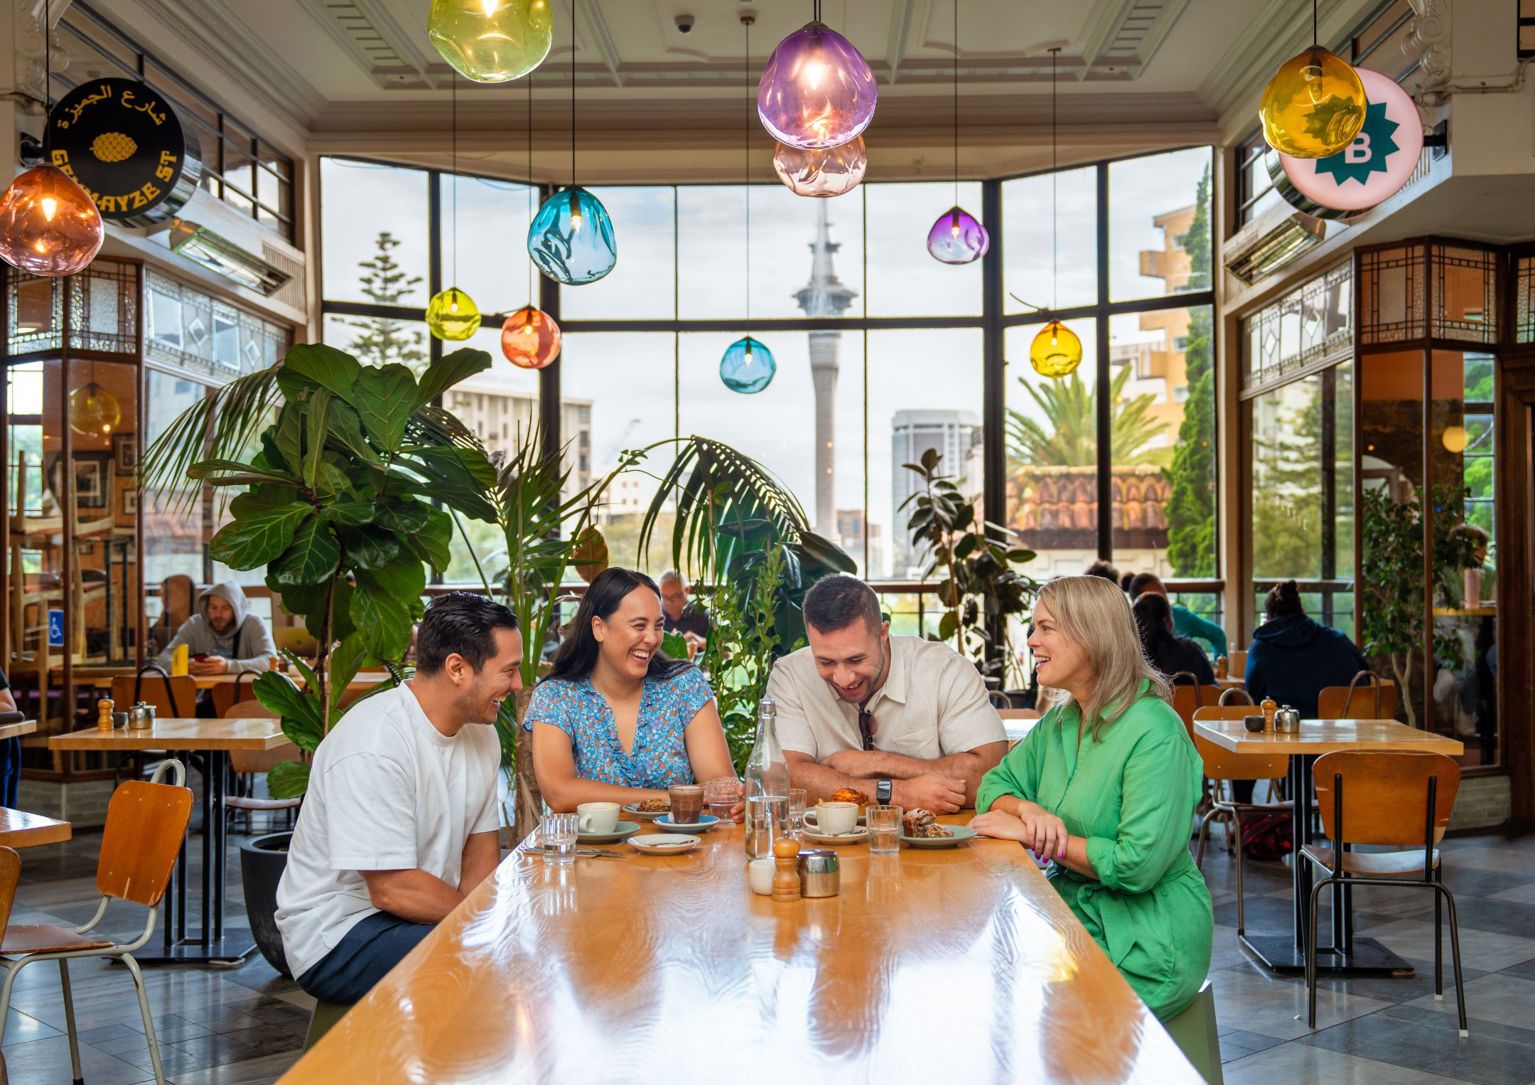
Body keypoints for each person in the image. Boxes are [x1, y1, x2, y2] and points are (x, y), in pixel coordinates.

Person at [971, 575, 1212, 1020]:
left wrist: (1040, 838)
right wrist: (1029, 810)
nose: (1031, 641)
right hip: (1071, 915)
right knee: (983, 986)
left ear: (1091, 635)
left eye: (1046, 628)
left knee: (1018, 1010)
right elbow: (992, 787)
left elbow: (1135, 865)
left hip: (1149, 942)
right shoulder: (1060, 721)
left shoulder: (1155, 731)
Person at [276, 592, 519, 1005]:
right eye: (509, 671)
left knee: (517, 950)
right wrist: (484, 925)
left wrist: (486, 923)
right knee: (497, 960)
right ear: (457, 668)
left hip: (423, 914)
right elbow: (391, 889)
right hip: (339, 932)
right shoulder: (374, 742)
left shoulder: (482, 735)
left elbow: (479, 856)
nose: (517, 685)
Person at [767, 575, 1009, 812]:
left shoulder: (945, 670)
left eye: (855, 659)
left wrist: (877, 762)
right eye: (826, 661)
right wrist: (898, 794)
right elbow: (782, 780)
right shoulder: (791, 675)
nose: (843, 678)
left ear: (883, 634)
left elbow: (992, 777)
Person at [526, 568, 741, 814]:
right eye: (639, 626)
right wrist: (670, 799)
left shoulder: (684, 685)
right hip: (591, 842)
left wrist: (726, 796)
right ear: (599, 628)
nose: (652, 638)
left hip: (680, 838)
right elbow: (560, 793)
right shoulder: (556, 697)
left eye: (658, 626)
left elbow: (720, 786)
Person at [1245, 579, 1369, 717]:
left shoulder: (1260, 650)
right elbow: (1365, 679)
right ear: (1302, 611)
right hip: (1343, 724)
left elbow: (1252, 696)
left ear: (1268, 618)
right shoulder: (1338, 639)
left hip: (1285, 726)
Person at [154, 581, 276, 676]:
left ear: (237, 609)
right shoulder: (194, 625)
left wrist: (228, 666)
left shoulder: (253, 624)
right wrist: (185, 665)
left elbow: (270, 661)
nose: (218, 614)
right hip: (201, 695)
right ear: (206, 607)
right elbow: (163, 659)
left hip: (245, 695)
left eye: (225, 608)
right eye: (213, 607)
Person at [1124, 571, 1227, 659]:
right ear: (1137, 605)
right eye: (1154, 600)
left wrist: (1220, 667)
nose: (1163, 603)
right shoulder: (1128, 628)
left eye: (1164, 595)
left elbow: (1217, 635)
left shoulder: (1180, 616)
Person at [1132, 593, 1215, 686]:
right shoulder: (1192, 651)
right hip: (1192, 696)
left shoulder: (1131, 656)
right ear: (1166, 620)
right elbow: (1211, 687)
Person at [658, 569, 709, 658]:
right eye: (664, 597)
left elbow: (725, 654)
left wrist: (697, 640)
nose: (669, 602)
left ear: (686, 590)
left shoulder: (702, 615)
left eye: (675, 596)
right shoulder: (656, 617)